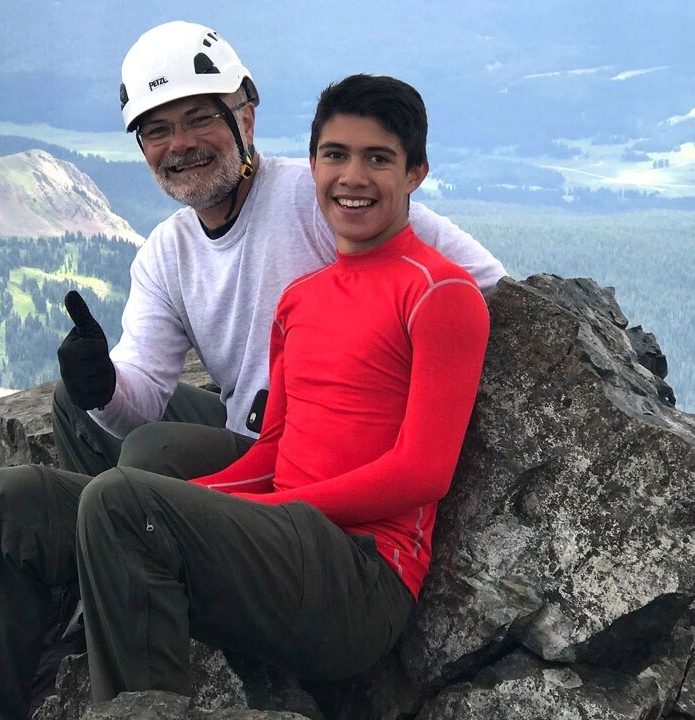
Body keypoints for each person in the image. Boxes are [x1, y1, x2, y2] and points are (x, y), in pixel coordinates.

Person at [0, 71, 489, 718]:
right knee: (17, 500)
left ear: (415, 174)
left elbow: (421, 473)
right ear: (311, 166)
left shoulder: (440, 292)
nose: (353, 177)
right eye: (336, 155)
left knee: (122, 502)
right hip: (282, 544)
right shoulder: (301, 301)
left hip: (360, 579)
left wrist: (260, 510)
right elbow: (272, 453)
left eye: (379, 159)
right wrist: (190, 506)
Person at [53, 20, 505, 482]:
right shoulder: (166, 254)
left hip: (312, 452)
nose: (180, 144)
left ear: (245, 120)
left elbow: (487, 284)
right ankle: (111, 535)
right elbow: (143, 397)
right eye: (157, 130)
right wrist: (102, 387)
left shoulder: (320, 197)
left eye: (199, 119)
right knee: (75, 402)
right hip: (246, 432)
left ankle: (138, 531)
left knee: (152, 452)